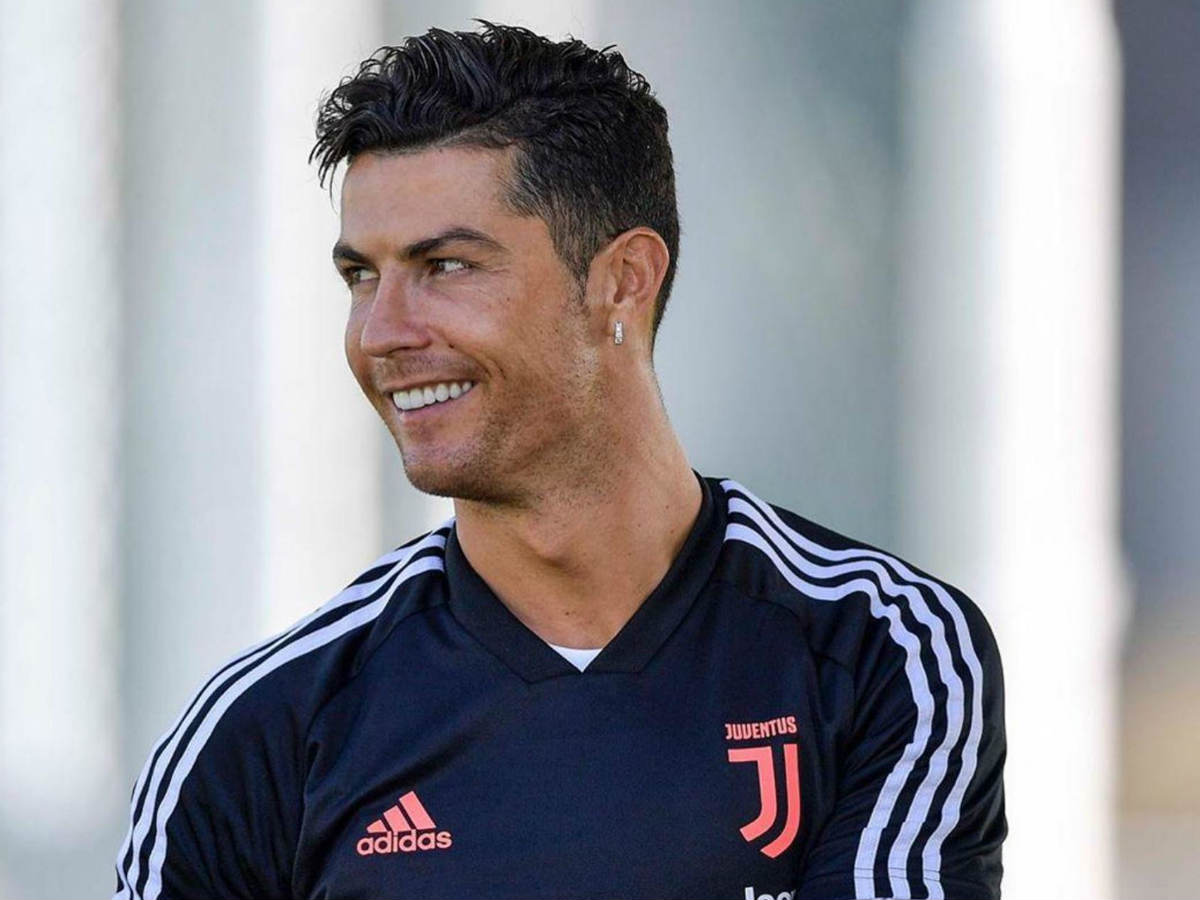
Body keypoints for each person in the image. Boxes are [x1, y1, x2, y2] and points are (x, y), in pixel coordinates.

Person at [112, 21, 1005, 900]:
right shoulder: (260, 734)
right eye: (362, 276)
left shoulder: (884, 651)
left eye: (446, 266)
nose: (381, 332)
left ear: (623, 280)